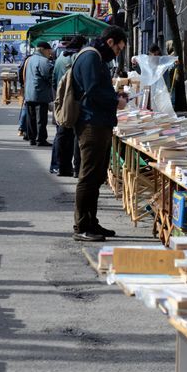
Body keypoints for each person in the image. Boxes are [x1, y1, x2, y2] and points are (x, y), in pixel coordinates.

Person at [72, 25, 128, 242]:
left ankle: (91, 221)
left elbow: (97, 88)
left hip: (99, 123)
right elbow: (93, 90)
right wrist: (116, 101)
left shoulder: (97, 59)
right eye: (118, 49)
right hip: (91, 124)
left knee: (96, 176)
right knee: (88, 176)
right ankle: (82, 225)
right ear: (110, 42)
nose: (117, 54)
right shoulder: (90, 58)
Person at [51, 35, 87, 176]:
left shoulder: (60, 58)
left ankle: (60, 166)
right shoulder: (78, 58)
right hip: (74, 102)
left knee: (61, 136)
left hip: (62, 102)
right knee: (76, 137)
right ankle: (77, 169)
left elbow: (53, 80)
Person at [24, 41, 53, 147]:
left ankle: (32, 138)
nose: (50, 53)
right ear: (44, 50)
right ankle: (41, 139)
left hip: (29, 93)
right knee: (41, 119)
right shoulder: (43, 61)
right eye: (49, 51)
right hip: (39, 94)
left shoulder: (30, 59)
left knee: (31, 118)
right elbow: (49, 76)